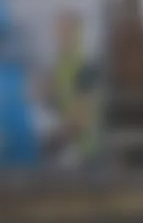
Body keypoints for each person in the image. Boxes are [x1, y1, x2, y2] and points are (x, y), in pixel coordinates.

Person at [40, 10, 101, 167]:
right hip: (60, 152)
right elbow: (47, 103)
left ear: (78, 34)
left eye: (67, 31)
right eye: (59, 31)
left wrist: (51, 143)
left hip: (82, 154)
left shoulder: (86, 69)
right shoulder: (56, 68)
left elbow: (81, 120)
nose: (61, 36)